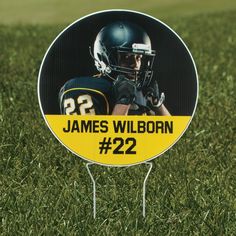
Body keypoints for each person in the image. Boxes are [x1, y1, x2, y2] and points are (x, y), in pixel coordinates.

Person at [59, 21, 170, 116]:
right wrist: (123, 102)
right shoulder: (85, 89)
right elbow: (95, 139)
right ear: (104, 58)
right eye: (127, 57)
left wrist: (158, 105)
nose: (135, 64)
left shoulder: (138, 94)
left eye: (139, 57)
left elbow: (171, 133)